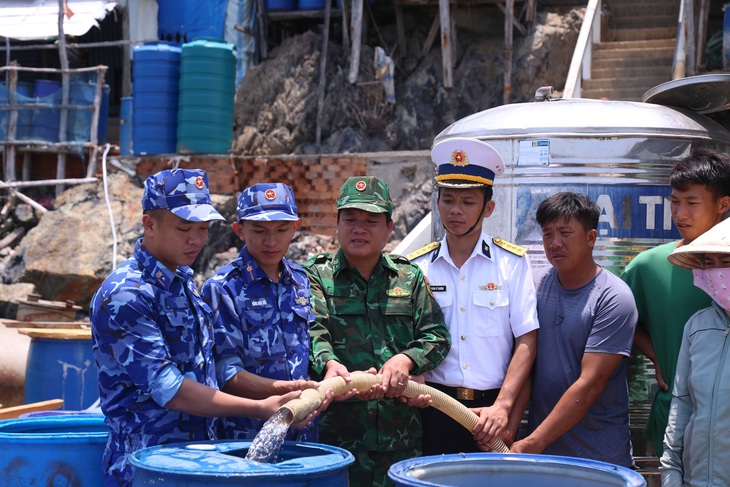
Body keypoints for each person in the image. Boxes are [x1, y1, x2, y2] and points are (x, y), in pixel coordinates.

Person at [89, 169, 317, 486]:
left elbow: (205, 366)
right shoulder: (126, 294)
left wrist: (279, 392)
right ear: (149, 224)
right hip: (148, 464)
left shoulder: (183, 282)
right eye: (184, 228)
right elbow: (168, 387)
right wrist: (261, 408)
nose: (196, 239)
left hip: (196, 458)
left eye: (203, 228)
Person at [304, 176, 451, 487]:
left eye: (371, 220)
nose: (360, 228)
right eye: (351, 219)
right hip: (338, 438)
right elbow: (313, 332)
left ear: (390, 228)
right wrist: (330, 365)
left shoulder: (408, 278)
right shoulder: (315, 276)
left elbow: (436, 336)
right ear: (338, 224)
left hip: (400, 438)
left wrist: (407, 361)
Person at [408, 137, 538, 454]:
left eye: (468, 202)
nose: (456, 210)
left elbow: (526, 341)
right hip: (434, 409)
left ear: (488, 208)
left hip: (493, 412)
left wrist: (505, 408)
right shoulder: (416, 267)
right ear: (436, 202)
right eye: (448, 199)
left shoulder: (512, 264)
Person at [508, 192, 638, 468]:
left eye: (566, 233)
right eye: (547, 234)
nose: (555, 243)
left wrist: (531, 443)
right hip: (545, 458)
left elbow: (590, 385)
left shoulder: (613, 297)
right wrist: (511, 428)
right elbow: (526, 366)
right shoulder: (538, 286)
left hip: (599, 460)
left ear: (591, 238)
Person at [620, 147, 730, 455]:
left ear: (723, 204)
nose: (680, 213)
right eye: (675, 202)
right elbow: (615, 323)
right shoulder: (650, 266)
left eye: (692, 203)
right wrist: (658, 356)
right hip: (673, 424)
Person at [201, 183, 320, 442]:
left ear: (295, 228)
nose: (271, 241)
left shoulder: (301, 281)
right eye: (259, 230)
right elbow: (225, 371)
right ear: (239, 230)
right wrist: (283, 391)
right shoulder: (223, 288)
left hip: (302, 430)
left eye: (281, 229)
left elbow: (315, 346)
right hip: (247, 434)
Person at [661, 218, 730, 486]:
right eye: (708, 263)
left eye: (725, 261)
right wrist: (670, 471)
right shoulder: (697, 326)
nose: (716, 271)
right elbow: (682, 402)